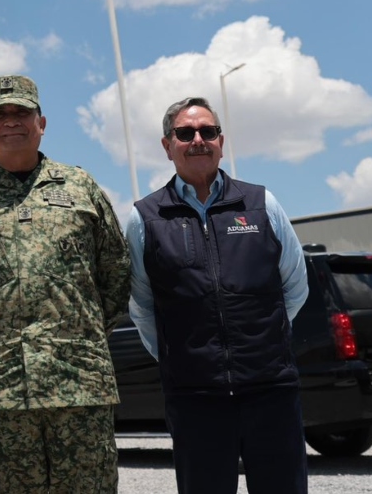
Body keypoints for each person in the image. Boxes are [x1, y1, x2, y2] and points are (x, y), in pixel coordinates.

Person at [0, 74, 130, 494]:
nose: (11, 121)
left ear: (42, 122)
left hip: (79, 386)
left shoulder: (80, 187)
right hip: (0, 392)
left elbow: (116, 270)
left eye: (22, 112)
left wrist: (79, 335)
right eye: (0, 114)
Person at [125, 96, 309, 494]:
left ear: (221, 142)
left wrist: (264, 340)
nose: (198, 140)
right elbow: (141, 305)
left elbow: (295, 284)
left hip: (270, 390)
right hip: (195, 397)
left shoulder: (262, 204)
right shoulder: (145, 218)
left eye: (208, 132)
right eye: (185, 132)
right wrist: (183, 357)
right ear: (167, 144)